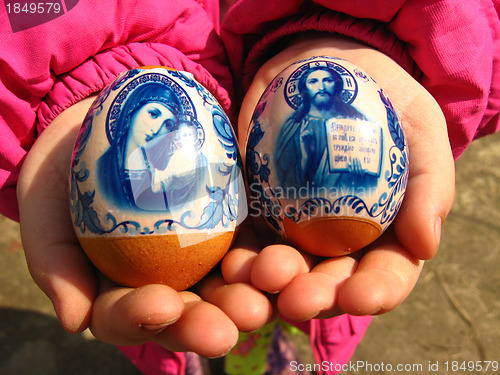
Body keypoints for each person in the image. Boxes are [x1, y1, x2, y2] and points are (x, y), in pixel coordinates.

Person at [1, 1, 499, 375]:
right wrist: (82, 70)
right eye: (149, 115)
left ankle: (257, 351)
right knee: (172, 320)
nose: (159, 129)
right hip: (161, 69)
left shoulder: (344, 115)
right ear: (124, 121)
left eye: (165, 117)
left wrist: (337, 35)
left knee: (287, 298)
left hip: (291, 224)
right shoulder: (113, 167)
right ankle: (196, 358)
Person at [273, 63, 373, 193]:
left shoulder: (353, 124)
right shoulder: (293, 128)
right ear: (305, 89)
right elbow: (285, 183)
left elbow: (370, 182)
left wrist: (360, 174)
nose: (321, 87)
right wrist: (305, 160)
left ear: (336, 86)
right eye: (313, 82)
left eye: (328, 80)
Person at [98, 81, 182, 211]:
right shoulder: (101, 168)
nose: (156, 130)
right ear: (132, 110)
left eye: (167, 125)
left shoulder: (161, 177)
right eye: (153, 114)